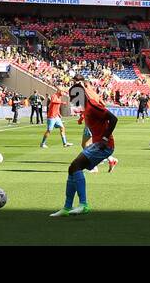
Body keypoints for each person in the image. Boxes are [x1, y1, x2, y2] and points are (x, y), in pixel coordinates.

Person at [49, 77, 117, 217]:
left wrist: (105, 138)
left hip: (104, 145)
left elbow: (113, 118)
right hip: (98, 144)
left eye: (74, 96)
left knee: (75, 166)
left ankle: (83, 204)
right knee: (72, 169)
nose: (73, 100)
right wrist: (81, 118)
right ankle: (67, 207)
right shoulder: (86, 107)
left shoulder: (92, 105)